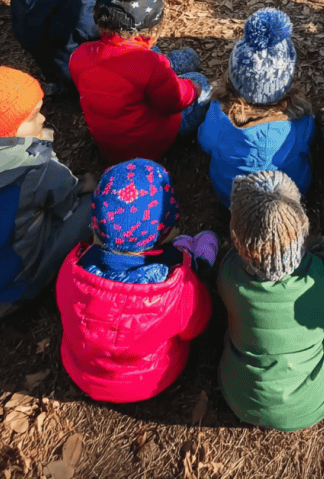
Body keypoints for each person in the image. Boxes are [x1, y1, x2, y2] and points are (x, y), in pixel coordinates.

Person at [57, 159, 214, 402]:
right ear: (166, 227)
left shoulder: (72, 268)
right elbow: (196, 324)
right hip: (149, 380)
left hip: (82, 373)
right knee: (194, 267)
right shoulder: (173, 287)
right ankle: (196, 259)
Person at [217, 171, 324, 431]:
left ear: (237, 238)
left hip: (241, 398)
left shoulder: (229, 275)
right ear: (300, 228)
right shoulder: (320, 278)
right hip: (314, 399)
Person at [0, 66, 93, 319]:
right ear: (4, 129)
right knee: (93, 206)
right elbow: (67, 202)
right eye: (32, 117)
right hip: (9, 293)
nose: (42, 120)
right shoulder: (35, 168)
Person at [70, 0, 211, 163]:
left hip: (110, 142)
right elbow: (172, 103)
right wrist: (193, 88)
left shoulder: (80, 55)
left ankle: (171, 72)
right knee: (197, 77)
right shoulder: (150, 64)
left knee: (164, 65)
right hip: (147, 144)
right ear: (149, 28)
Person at [198, 8, 314, 207]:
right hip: (288, 198)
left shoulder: (218, 114)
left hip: (232, 198)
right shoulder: (299, 119)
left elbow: (204, 142)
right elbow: (308, 144)